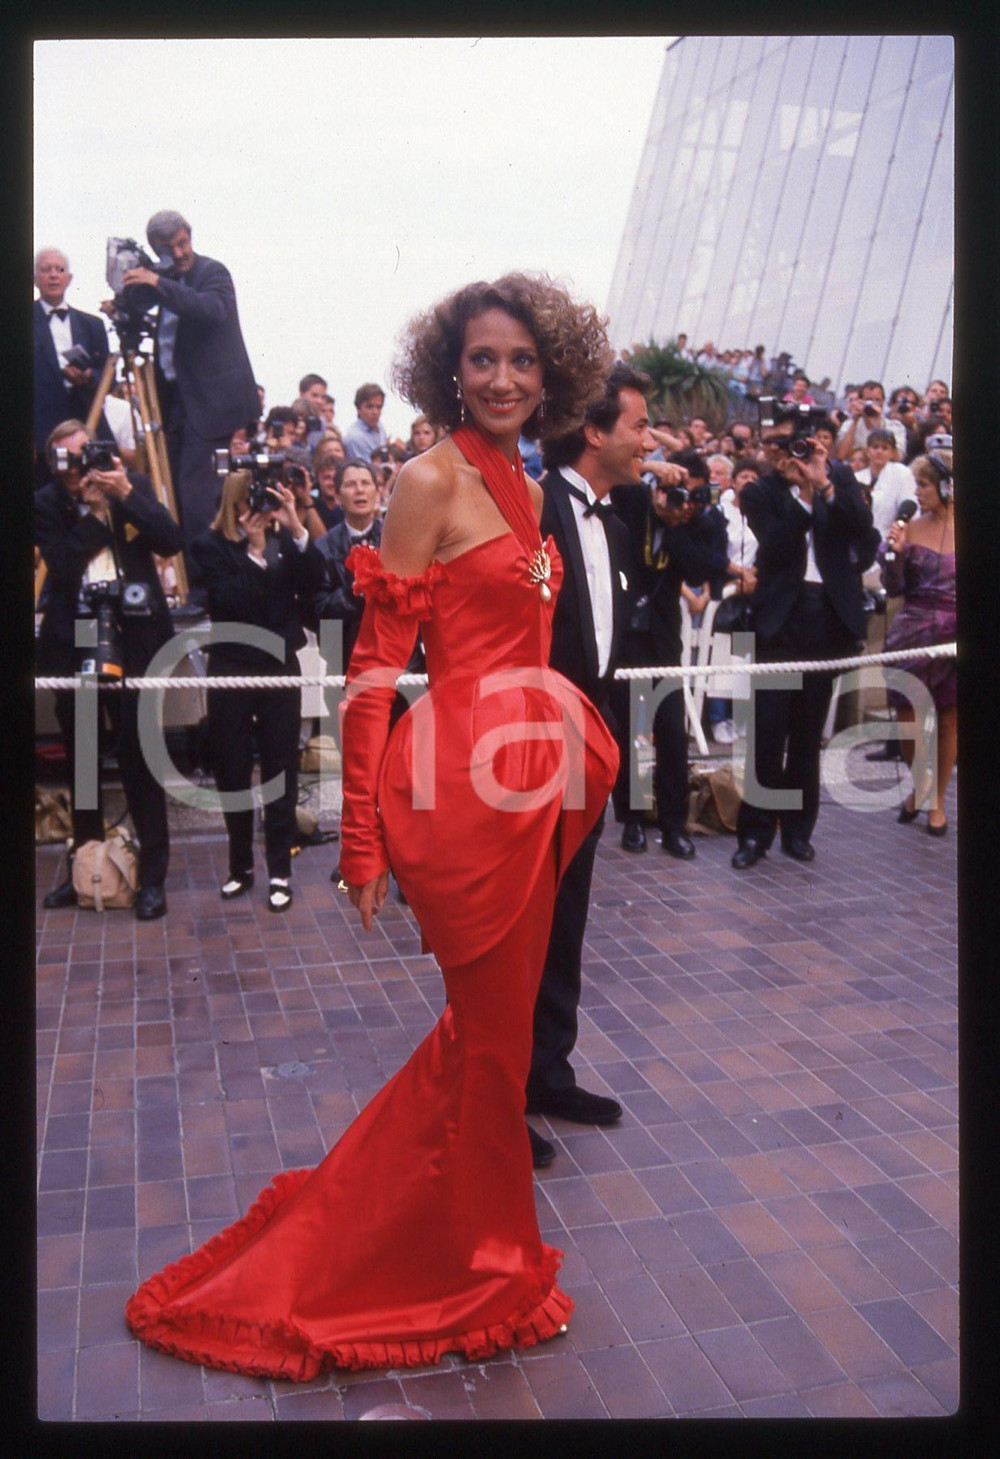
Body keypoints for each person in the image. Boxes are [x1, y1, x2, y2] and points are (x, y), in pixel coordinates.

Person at [125, 271, 618, 1378]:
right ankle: (477, 1261)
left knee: (490, 1044)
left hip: (536, 778)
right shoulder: (428, 480)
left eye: (523, 360)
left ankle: (477, 1240)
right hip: (466, 791)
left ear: (551, 374)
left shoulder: (526, 480)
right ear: (450, 369)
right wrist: (360, 839)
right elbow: (371, 674)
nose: (503, 378)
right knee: (489, 1040)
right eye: (483, 359)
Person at [524, 362, 650, 1163]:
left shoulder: (622, 521)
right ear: (596, 431)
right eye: (640, 424)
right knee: (517, 923)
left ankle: (548, 1071)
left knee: (567, 914)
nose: (651, 439)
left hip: (588, 746)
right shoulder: (532, 507)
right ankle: (499, 1091)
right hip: (525, 748)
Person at [34, 420, 183, 920]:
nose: (80, 468)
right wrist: (97, 515)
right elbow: (60, 563)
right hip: (76, 634)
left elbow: (170, 540)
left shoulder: (130, 485)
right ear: (54, 465)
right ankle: (86, 867)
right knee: (82, 759)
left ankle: (152, 878)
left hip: (133, 632)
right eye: (68, 460)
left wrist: (124, 496)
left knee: (140, 755)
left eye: (87, 454)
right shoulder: (46, 503)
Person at [732, 409, 878, 868]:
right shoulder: (759, 492)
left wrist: (825, 485)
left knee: (807, 734)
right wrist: (803, 496)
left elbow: (865, 532)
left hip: (826, 618)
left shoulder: (840, 477)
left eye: (789, 443)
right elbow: (775, 547)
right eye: (772, 444)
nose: (781, 453)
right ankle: (755, 834)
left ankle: (798, 831)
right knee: (768, 733)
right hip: (780, 621)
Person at [189, 472, 323, 911]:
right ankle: (240, 866)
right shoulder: (209, 547)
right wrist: (254, 551)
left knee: (280, 768)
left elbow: (316, 581)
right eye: (253, 500)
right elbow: (231, 602)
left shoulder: (286, 540)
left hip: (278, 664)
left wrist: (296, 527)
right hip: (232, 664)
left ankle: (280, 870)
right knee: (231, 768)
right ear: (234, 503)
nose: (262, 508)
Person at [115, 210, 258, 601]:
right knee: (179, 495)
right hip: (179, 405)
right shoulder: (166, 279)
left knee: (198, 500)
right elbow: (145, 306)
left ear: (190, 236)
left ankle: (206, 587)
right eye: (168, 249)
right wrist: (126, 301)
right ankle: (194, 581)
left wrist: (157, 281)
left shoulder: (212, 273)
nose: (179, 254)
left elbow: (209, 309)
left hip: (213, 409)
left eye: (183, 243)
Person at [611, 474, 713, 856]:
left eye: (680, 495)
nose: (674, 500)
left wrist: (677, 525)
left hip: (665, 641)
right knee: (631, 731)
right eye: (669, 492)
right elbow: (625, 488)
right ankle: (633, 819)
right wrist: (654, 481)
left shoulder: (688, 525)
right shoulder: (635, 506)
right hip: (629, 638)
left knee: (672, 732)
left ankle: (674, 825)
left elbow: (698, 571)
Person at [879, 453, 956, 836]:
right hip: (912, 631)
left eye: (924, 485)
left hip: (955, 635)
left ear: (947, 487)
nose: (918, 493)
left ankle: (937, 800)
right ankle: (919, 784)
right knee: (908, 717)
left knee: (949, 719)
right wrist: (894, 554)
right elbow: (894, 587)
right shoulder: (909, 528)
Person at [33, 247, 113, 484]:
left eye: (60, 269)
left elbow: (108, 378)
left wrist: (88, 377)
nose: (53, 275)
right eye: (46, 269)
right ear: (34, 278)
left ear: (69, 278)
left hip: (87, 425)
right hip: (41, 431)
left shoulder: (93, 324)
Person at [311, 458, 384, 670]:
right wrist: (356, 590)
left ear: (377, 492)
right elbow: (318, 609)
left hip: (400, 661)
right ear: (337, 496)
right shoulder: (323, 548)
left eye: (365, 483)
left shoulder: (399, 539)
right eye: (351, 484)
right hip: (344, 661)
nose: (359, 490)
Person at [341, 382, 390, 463]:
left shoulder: (380, 427)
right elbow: (363, 467)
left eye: (379, 407)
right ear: (358, 408)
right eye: (369, 407)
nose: (375, 412)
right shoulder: (354, 438)